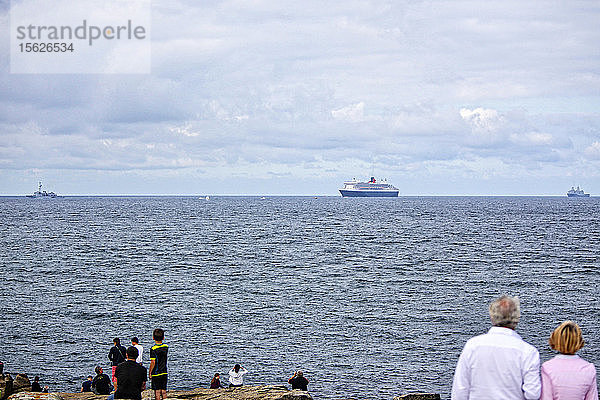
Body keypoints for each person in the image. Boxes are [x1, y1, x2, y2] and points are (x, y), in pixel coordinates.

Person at [451, 295, 541, 400]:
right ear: (517, 317)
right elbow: (533, 394)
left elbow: (460, 391)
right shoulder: (528, 352)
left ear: (492, 316)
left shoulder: (472, 346)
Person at [540, 321, 598, 400]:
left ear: (556, 339)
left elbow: (546, 397)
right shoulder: (589, 368)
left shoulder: (547, 367)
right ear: (579, 341)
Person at [149, 328, 168, 400]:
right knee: (163, 391)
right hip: (164, 371)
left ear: (153, 338)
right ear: (163, 337)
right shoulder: (166, 347)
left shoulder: (153, 349)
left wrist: (150, 372)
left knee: (157, 391)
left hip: (156, 372)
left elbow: (153, 362)